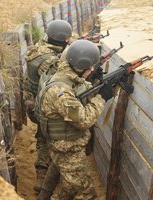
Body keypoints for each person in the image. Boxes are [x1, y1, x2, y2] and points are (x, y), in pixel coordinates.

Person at [35, 40, 113, 199]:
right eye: (89, 67)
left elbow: (81, 95)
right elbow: (83, 119)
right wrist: (102, 98)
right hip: (66, 148)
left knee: (60, 175)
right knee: (84, 193)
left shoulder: (66, 77)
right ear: (80, 66)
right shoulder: (60, 91)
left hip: (63, 145)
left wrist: (102, 85)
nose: (91, 69)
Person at [24, 19, 72, 194]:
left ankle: (41, 176)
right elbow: (59, 80)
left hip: (33, 103)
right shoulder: (50, 61)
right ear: (62, 40)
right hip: (45, 106)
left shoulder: (37, 49)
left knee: (42, 137)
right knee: (53, 140)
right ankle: (46, 180)